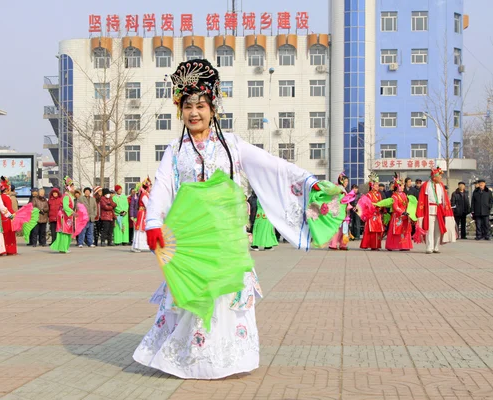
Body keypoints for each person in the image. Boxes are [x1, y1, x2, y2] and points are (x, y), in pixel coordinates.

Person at [135, 59, 343, 379]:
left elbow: (271, 166)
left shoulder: (231, 145)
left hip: (226, 238)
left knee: (224, 299)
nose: (194, 113)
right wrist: (152, 223)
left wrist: (308, 183)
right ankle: (186, 358)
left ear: (213, 106)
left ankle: (224, 360)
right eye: (187, 106)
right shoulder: (175, 151)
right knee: (192, 297)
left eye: (200, 105)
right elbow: (162, 185)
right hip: (190, 241)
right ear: (180, 109)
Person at [416, 167, 456, 253]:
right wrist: (420, 212)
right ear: (434, 177)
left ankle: (436, 246)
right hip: (429, 210)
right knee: (429, 229)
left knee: (438, 229)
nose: (441, 178)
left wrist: (446, 210)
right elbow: (421, 199)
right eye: (439, 176)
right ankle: (429, 247)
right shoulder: (426, 185)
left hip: (439, 210)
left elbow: (445, 199)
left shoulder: (441, 185)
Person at [385, 174, 413, 251]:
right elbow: (395, 206)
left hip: (405, 215)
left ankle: (404, 245)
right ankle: (392, 245)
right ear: (398, 187)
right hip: (397, 216)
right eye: (402, 185)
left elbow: (407, 205)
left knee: (405, 230)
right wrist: (402, 212)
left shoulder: (404, 194)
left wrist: (408, 211)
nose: (403, 187)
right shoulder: (394, 196)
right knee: (396, 231)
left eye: (403, 185)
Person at [360, 173, 385, 250]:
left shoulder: (379, 194)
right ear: (372, 186)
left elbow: (381, 202)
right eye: (376, 185)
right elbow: (366, 205)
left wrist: (381, 207)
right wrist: (373, 207)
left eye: (378, 185)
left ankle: (376, 245)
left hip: (377, 214)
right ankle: (369, 245)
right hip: (371, 215)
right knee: (371, 230)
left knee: (378, 230)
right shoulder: (369, 195)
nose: (377, 186)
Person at [50, 177, 75, 253]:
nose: (74, 188)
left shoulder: (70, 196)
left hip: (67, 215)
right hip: (64, 216)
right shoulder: (66, 196)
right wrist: (72, 212)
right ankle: (63, 248)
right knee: (65, 231)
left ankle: (64, 247)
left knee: (67, 232)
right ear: (69, 188)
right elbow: (65, 206)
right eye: (72, 187)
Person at [329, 173, 350, 250]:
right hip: (338, 212)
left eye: (347, 181)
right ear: (342, 181)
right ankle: (334, 244)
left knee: (343, 229)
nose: (347, 183)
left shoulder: (343, 189)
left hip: (343, 212)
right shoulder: (339, 189)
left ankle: (342, 244)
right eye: (345, 181)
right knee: (337, 229)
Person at [0, 177, 17, 255]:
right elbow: (9, 209)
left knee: (3, 234)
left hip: (1, 217)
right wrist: (14, 214)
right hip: (8, 217)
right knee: (9, 234)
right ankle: (10, 250)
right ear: (6, 190)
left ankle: (3, 249)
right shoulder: (6, 197)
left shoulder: (0, 196)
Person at [132, 178, 151, 252]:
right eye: (150, 186)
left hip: (144, 213)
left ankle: (141, 245)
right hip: (142, 213)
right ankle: (137, 246)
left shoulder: (145, 194)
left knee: (142, 229)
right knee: (140, 229)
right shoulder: (144, 195)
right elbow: (147, 205)